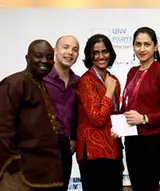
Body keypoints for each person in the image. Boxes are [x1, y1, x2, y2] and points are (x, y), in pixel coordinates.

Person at [0, 39, 63, 190]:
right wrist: (13, 163)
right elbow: (3, 127)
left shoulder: (39, 83)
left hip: (42, 170)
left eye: (49, 57)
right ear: (27, 58)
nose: (45, 61)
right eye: (39, 56)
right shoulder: (14, 83)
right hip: (21, 174)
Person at [122, 27, 160, 191]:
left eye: (147, 44)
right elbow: (129, 103)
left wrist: (145, 118)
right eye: (138, 44)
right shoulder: (132, 72)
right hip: (132, 139)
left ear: (155, 47)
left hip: (153, 141)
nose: (142, 49)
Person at [76, 34, 123, 191]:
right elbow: (97, 118)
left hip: (114, 149)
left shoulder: (114, 79)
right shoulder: (86, 81)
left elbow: (115, 114)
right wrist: (108, 92)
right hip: (94, 152)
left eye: (105, 51)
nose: (101, 56)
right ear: (90, 56)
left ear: (111, 53)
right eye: (96, 52)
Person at [43, 35, 80, 191]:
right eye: (65, 47)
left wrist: (75, 137)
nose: (70, 52)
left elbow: (79, 113)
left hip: (66, 147)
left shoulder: (78, 82)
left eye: (75, 49)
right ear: (55, 50)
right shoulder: (41, 78)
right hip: (42, 146)